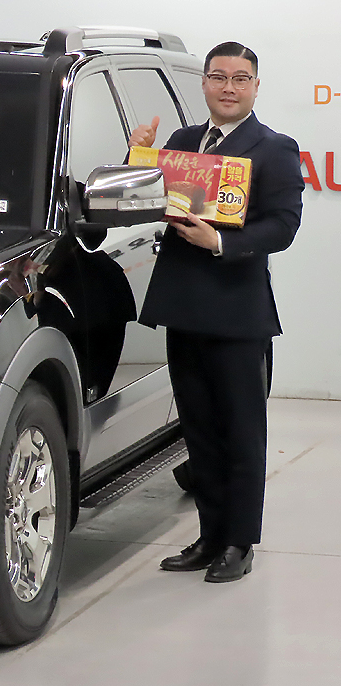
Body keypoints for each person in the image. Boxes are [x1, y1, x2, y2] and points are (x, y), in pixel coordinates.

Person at [129, 41, 304, 582]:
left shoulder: (274, 148)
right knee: (198, 430)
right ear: (204, 83)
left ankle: (238, 543)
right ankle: (208, 537)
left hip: (237, 313)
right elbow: (141, 202)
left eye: (240, 78)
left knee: (242, 433)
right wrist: (136, 159)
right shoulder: (183, 143)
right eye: (219, 77)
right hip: (183, 306)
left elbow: (283, 225)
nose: (229, 87)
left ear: (255, 87)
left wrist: (223, 243)